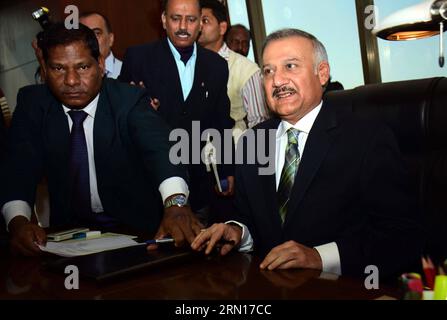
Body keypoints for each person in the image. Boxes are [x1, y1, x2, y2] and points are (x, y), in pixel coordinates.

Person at [192, 28, 423, 278]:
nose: (277, 81)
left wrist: (320, 257)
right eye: (268, 71)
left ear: (322, 73)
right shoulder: (252, 142)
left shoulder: (367, 138)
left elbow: (403, 236)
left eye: (290, 66)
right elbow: (249, 220)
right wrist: (237, 231)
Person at [0, 23, 202, 256]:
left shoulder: (129, 100)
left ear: (101, 64)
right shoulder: (33, 104)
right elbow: (18, 167)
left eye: (83, 67)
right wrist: (17, 221)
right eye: (58, 69)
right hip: (68, 237)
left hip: (139, 233)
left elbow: (161, 151)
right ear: (45, 68)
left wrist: (175, 204)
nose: (72, 80)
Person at [120, 0, 234, 222]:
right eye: (175, 18)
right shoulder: (138, 58)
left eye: (191, 20)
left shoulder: (216, 65)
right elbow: (120, 120)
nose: (183, 26)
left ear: (200, 23)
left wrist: (227, 168)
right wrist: (140, 111)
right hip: (152, 184)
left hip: (201, 185)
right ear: (164, 20)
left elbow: (221, 121)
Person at [198, 0, 269, 142]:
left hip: (234, 151)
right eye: (195, 20)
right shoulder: (187, 64)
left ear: (222, 28)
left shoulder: (246, 69)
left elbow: (259, 122)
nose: (198, 26)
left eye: (205, 21)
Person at [80, 12, 122, 79]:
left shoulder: (127, 72)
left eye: (97, 33)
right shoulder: (72, 78)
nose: (90, 40)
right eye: (83, 35)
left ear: (110, 39)